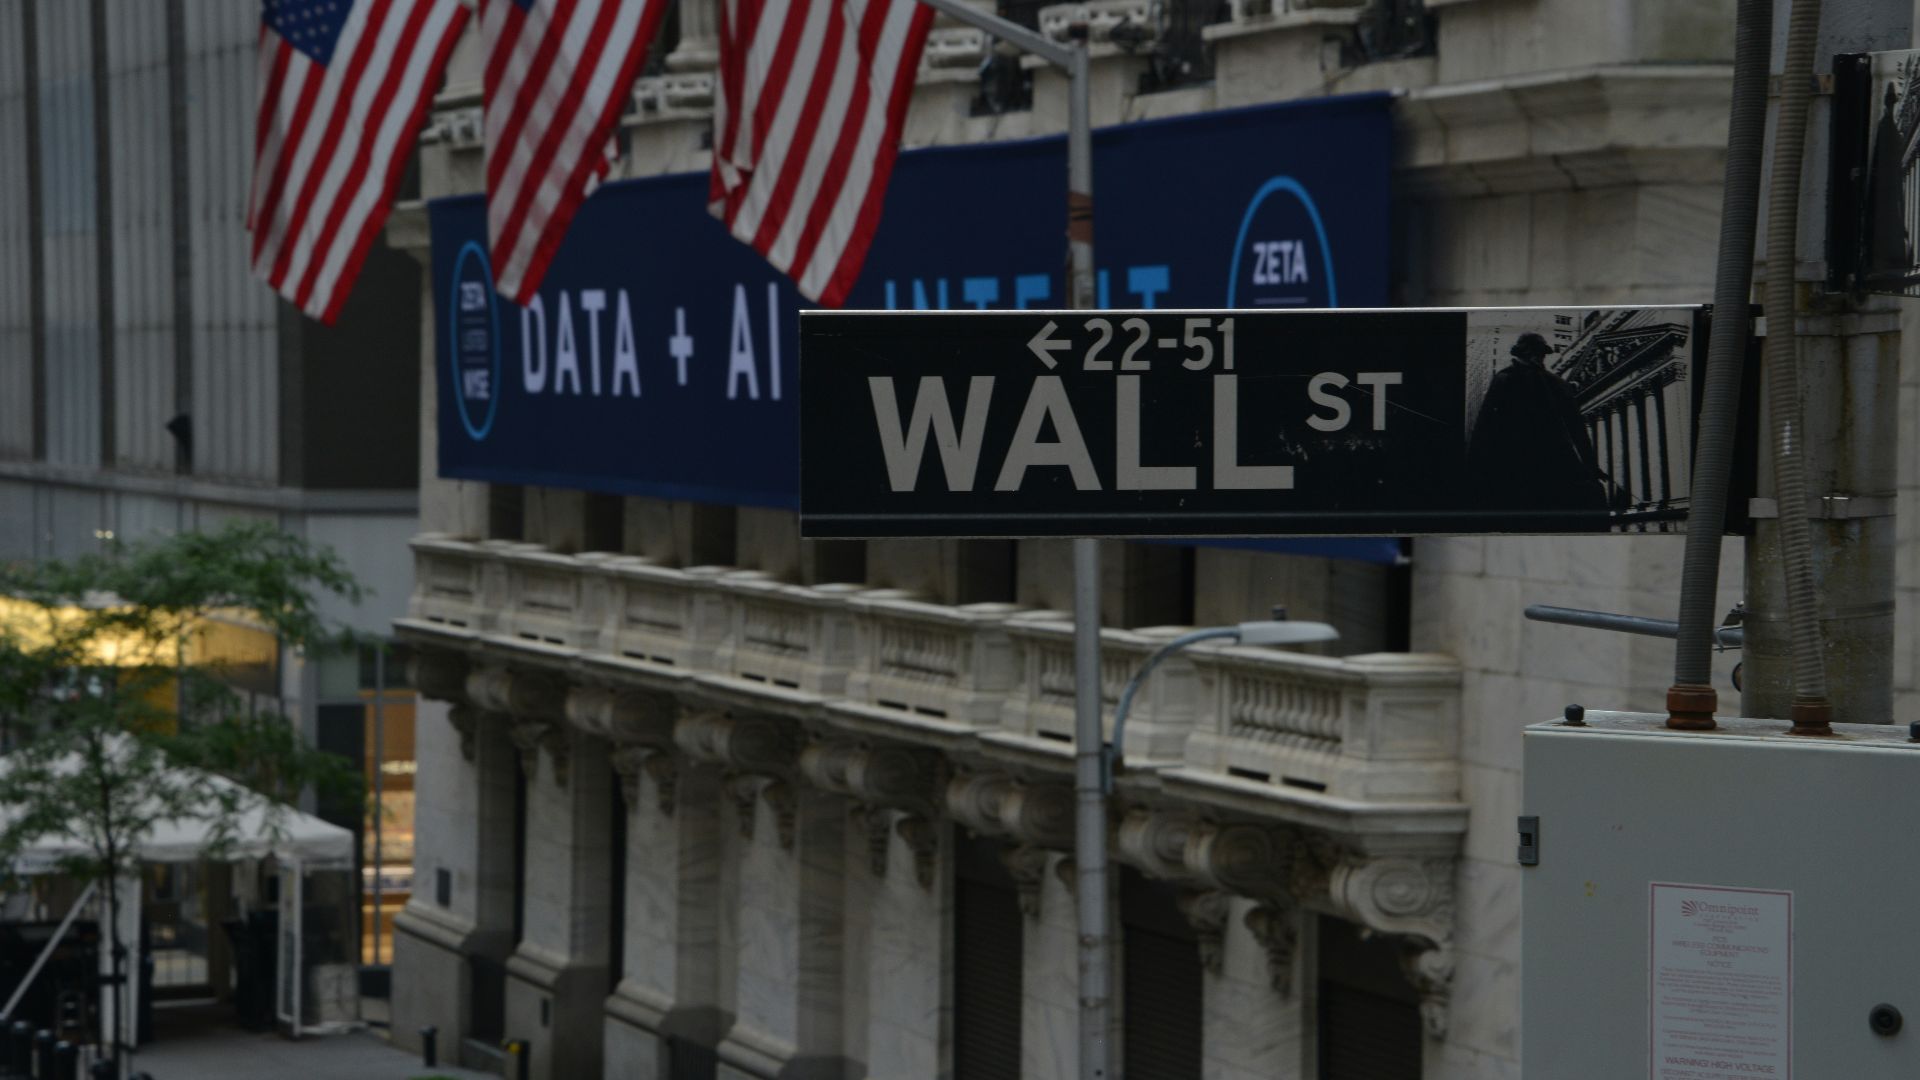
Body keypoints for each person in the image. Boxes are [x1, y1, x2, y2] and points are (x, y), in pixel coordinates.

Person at [1465, 332, 1610, 515]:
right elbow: (1485, 429)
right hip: (1523, 466)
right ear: (1524, 353)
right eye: (1537, 352)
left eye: (1541, 353)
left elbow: (1576, 428)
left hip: (1537, 467)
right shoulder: (1508, 379)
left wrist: (1591, 466)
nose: (1539, 357)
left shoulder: (1551, 383)